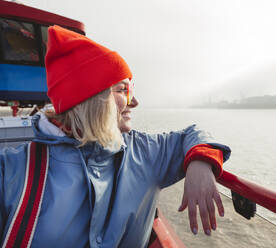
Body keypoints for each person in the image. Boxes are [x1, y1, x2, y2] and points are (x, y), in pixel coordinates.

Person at [0, 25, 231, 248]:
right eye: (123, 90)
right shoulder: (11, 170)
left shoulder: (145, 151)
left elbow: (192, 133)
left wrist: (201, 160)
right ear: (89, 99)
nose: (135, 101)